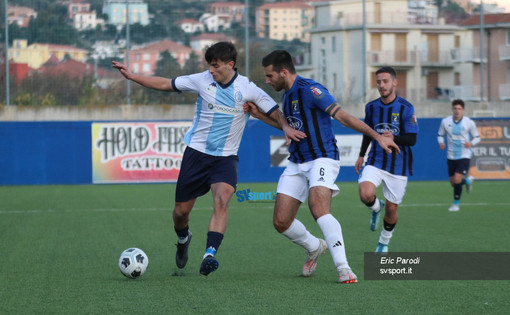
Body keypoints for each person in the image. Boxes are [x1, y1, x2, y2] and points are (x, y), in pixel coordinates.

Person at [112, 42, 303, 276]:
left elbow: (273, 109)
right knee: (181, 213)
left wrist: (285, 126)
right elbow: (165, 83)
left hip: (226, 159)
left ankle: (209, 254)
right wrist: (132, 76)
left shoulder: (247, 88)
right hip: (197, 155)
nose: (211, 70)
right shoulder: (202, 80)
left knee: (222, 200)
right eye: (209, 66)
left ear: (230, 65)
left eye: (216, 66)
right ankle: (183, 238)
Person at [245, 50, 399, 283]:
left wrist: (377, 137)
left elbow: (343, 116)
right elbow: (292, 130)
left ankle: (344, 268)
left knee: (318, 207)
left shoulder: (311, 90)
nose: (267, 81)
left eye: (269, 76)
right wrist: (260, 116)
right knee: (281, 222)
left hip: (322, 157)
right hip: (297, 162)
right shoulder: (287, 95)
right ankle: (314, 246)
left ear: (283, 72)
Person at [354, 66, 419, 253]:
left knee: (391, 210)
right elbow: (368, 133)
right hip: (375, 160)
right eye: (378, 82)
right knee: (365, 193)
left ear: (394, 82)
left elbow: (412, 140)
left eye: (385, 81)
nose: (381, 85)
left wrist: (392, 138)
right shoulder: (371, 107)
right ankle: (375, 207)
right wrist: (361, 155)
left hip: (399, 165)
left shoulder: (406, 108)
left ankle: (384, 241)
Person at [437, 99, 480, 212]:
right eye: (455, 108)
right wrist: (441, 142)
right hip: (451, 156)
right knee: (453, 183)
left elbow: (477, 137)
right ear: (452, 109)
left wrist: (470, 143)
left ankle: (456, 204)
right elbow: (440, 135)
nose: (457, 111)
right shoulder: (445, 122)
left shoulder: (469, 122)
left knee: (456, 179)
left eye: (459, 109)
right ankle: (467, 181)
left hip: (464, 155)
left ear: (463, 110)